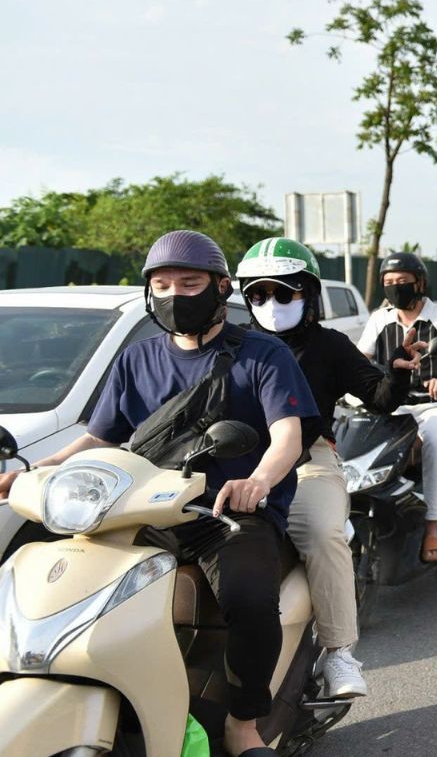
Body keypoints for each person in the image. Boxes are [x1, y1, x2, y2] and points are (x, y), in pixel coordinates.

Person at [0, 230, 317, 756]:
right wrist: (37, 470)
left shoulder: (264, 353)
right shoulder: (136, 359)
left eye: (189, 283)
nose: (174, 295)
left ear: (220, 288)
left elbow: (287, 435)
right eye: (162, 284)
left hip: (222, 512)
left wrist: (257, 481)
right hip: (139, 508)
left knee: (247, 599)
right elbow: (99, 437)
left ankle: (244, 723)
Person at [237, 237, 425, 700]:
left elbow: (380, 399)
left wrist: (398, 373)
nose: (271, 304)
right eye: (259, 295)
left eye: (284, 293)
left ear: (308, 294)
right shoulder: (232, 345)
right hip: (236, 461)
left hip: (307, 460)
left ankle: (340, 652)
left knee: (323, 534)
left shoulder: (329, 345)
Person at [357, 252, 437, 563]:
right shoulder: (379, 319)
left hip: (432, 404)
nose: (395, 288)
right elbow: (359, 360)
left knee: (434, 442)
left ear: (419, 283)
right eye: (389, 283)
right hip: (389, 404)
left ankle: (433, 527)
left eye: (402, 282)